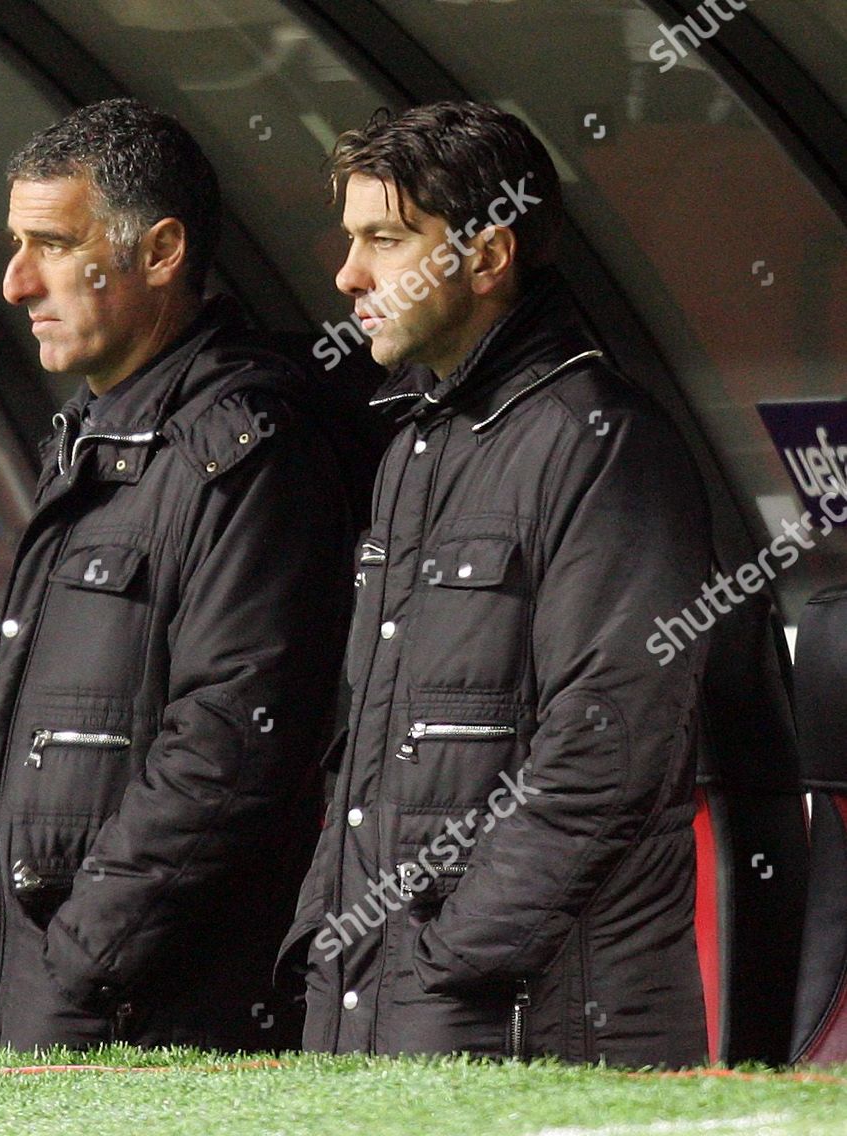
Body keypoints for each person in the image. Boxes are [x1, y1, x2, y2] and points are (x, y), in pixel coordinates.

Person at [281, 101, 713, 1066]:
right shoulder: (415, 447)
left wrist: (448, 961)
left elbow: (608, 751)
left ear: (485, 258)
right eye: (349, 241)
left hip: (526, 1023)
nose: (348, 277)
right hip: (386, 1007)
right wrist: (333, 936)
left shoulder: (604, 443)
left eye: (386, 240)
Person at [0, 98, 358, 1051]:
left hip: (149, 1026)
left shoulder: (249, 452)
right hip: (36, 1002)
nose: (14, 284)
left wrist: (75, 970)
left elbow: (226, 752)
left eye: (50, 245)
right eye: (15, 244)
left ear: (162, 252)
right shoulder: (90, 439)